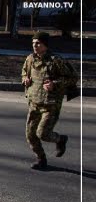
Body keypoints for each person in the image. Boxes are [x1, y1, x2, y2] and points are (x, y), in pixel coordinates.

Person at [21, 32, 77, 170]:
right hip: (34, 102)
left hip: (50, 105)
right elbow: (24, 72)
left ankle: (60, 139)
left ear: (45, 45)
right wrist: (25, 79)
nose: (35, 46)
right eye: (33, 43)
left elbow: (73, 78)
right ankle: (41, 160)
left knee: (42, 134)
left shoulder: (56, 60)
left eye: (38, 43)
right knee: (30, 135)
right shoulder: (30, 59)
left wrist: (55, 84)